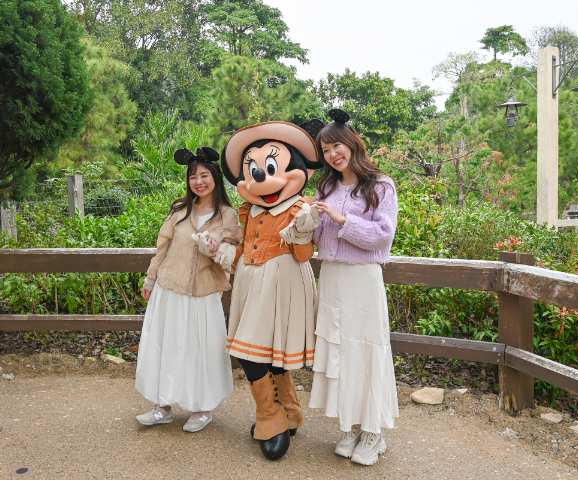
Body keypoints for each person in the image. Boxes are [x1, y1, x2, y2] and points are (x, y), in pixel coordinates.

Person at [220, 120, 323, 460]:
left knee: (252, 353)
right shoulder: (250, 210)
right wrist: (223, 251)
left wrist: (303, 233)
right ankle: (288, 411)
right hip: (251, 283)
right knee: (262, 351)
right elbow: (246, 246)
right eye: (253, 169)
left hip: (282, 282)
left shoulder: (299, 209)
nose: (260, 176)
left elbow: (304, 255)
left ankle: (270, 417)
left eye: (270, 166)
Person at [308, 109, 399, 466]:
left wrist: (342, 219)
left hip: (362, 278)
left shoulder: (381, 184)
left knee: (367, 351)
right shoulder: (326, 187)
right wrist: (308, 219)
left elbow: (383, 236)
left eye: (337, 146)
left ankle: (374, 431)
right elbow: (318, 238)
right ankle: (349, 425)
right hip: (331, 278)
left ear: (352, 143)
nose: (332, 154)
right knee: (341, 351)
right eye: (325, 149)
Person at [134, 146, 242, 433]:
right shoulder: (180, 210)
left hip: (204, 294)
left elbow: (233, 251)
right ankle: (162, 406)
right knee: (165, 346)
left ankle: (202, 408)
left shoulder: (228, 215)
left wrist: (216, 244)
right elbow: (163, 246)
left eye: (204, 175)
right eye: (193, 176)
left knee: (201, 349)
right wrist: (150, 279)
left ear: (215, 177)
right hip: (169, 287)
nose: (198, 181)